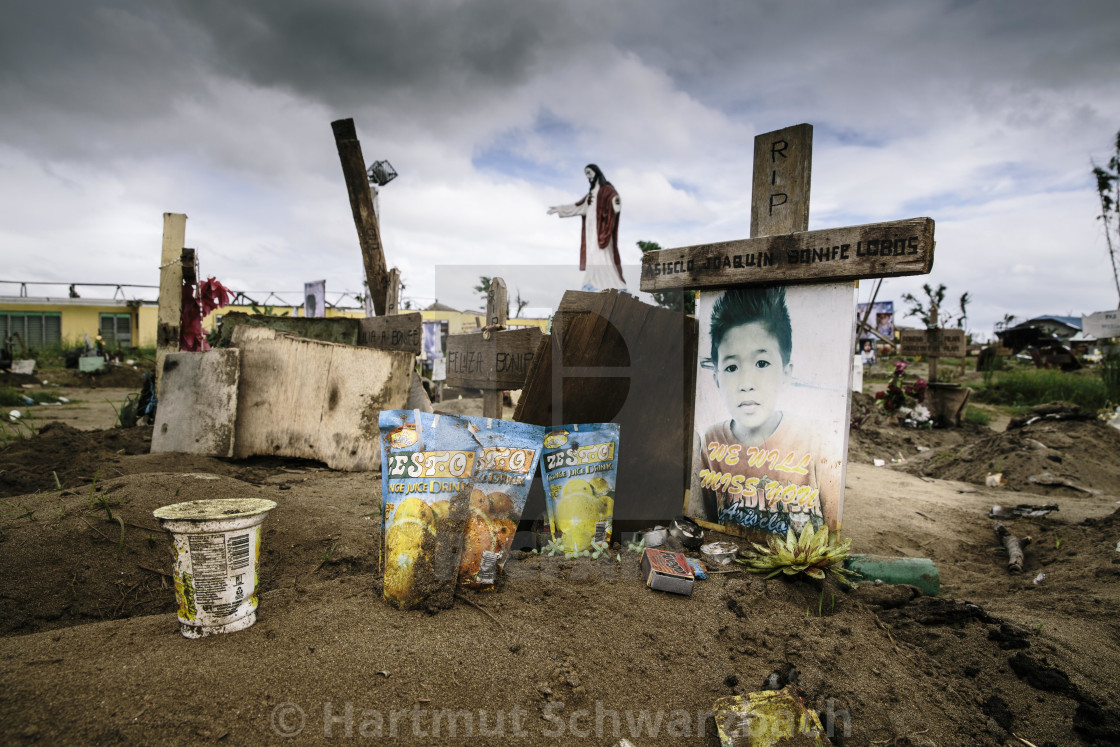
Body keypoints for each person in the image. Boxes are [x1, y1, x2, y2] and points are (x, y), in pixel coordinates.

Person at [690, 286, 826, 537]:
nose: (746, 383)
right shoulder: (711, 441)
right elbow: (708, 522)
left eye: (762, 363)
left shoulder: (814, 440)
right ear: (717, 378)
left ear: (786, 373)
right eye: (731, 367)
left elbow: (832, 533)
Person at [547, 164, 625, 292]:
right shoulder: (590, 195)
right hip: (591, 233)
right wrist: (559, 208)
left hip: (602, 232)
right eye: (586, 174)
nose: (588, 176)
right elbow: (577, 207)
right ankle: (592, 283)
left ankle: (610, 284)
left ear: (596, 172)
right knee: (592, 257)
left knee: (603, 257)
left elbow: (615, 199)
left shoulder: (606, 190)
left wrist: (615, 204)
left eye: (589, 172)